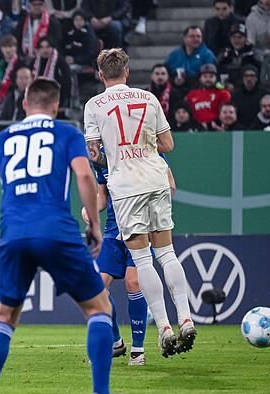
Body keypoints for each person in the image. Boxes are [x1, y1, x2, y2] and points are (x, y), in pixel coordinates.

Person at [0, 77, 138, 394]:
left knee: (4, 316)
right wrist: (95, 226)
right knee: (98, 307)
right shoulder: (67, 133)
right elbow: (85, 176)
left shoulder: (2, 138)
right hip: (56, 232)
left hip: (13, 236)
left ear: (24, 104)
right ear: (55, 106)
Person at [84, 49, 195, 359]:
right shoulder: (148, 98)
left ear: (101, 74)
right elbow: (168, 144)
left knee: (143, 260)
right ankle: (185, 318)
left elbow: (94, 153)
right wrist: (142, 145)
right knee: (167, 252)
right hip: (156, 178)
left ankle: (164, 328)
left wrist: (116, 151)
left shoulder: (94, 105)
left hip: (127, 186)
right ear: (128, 72)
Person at [81, 158, 176, 366]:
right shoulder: (100, 158)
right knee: (96, 288)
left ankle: (138, 349)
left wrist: (155, 217)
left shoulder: (142, 150)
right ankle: (115, 342)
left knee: (133, 282)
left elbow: (170, 186)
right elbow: (103, 195)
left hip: (138, 229)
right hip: (112, 232)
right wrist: (91, 208)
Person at [165, 26, 217, 92]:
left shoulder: (208, 55)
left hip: (199, 90)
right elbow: (166, 72)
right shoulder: (174, 55)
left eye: (198, 36)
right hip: (176, 89)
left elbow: (209, 76)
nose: (195, 39)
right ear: (185, 38)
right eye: (192, 36)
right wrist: (174, 80)